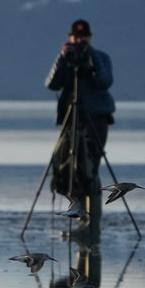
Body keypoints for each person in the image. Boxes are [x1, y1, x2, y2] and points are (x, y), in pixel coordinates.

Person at [45, 19, 115, 233]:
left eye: (83, 38)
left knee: (90, 167)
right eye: (76, 38)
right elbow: (52, 84)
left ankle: (91, 224)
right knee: (68, 165)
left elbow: (105, 82)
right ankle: (79, 219)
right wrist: (63, 57)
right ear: (70, 38)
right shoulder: (66, 57)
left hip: (96, 118)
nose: (80, 41)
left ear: (90, 38)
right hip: (70, 118)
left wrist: (90, 58)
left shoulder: (100, 57)